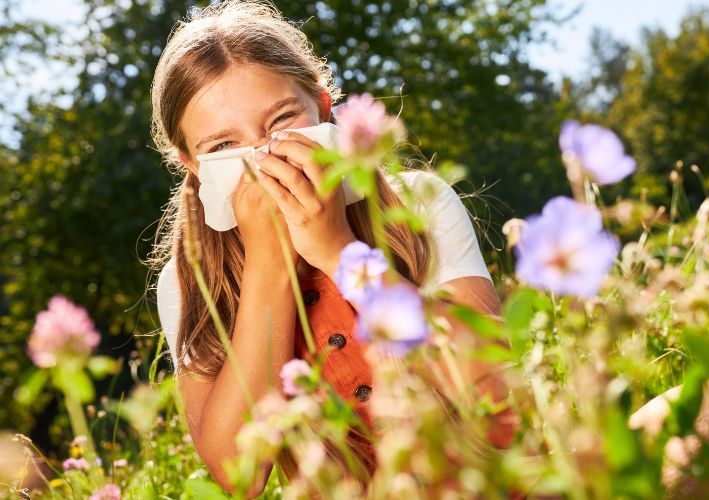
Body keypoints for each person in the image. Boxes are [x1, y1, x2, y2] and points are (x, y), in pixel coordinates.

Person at [148, 0, 510, 495]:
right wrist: (268, 268)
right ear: (193, 165)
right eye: (222, 148)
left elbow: (490, 384)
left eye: (281, 122)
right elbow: (239, 473)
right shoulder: (189, 280)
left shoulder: (417, 204)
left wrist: (338, 251)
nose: (263, 155)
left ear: (322, 106)